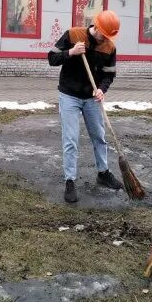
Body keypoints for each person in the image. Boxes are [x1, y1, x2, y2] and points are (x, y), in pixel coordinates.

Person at [48, 10, 123, 204]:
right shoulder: (74, 35)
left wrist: (101, 89)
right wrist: (71, 52)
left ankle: (103, 172)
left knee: (99, 136)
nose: (104, 38)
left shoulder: (109, 47)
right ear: (96, 26)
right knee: (71, 140)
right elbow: (51, 59)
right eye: (103, 34)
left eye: (108, 36)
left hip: (92, 98)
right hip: (69, 95)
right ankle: (70, 181)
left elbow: (109, 75)